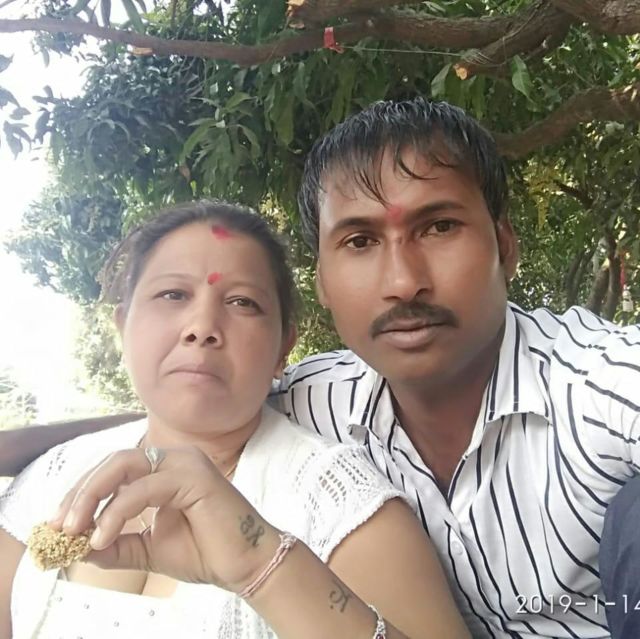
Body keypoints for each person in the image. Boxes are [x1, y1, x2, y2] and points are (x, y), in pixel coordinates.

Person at [3, 98, 639, 638]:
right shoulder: (316, 396)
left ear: (504, 247)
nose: (403, 282)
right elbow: (192, 404)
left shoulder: (600, 387)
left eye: (439, 226)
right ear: (325, 285)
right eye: (360, 241)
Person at [0, 201, 470, 639]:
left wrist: (263, 566)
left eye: (243, 302)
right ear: (123, 325)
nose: (202, 327)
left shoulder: (344, 510)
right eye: (172, 294)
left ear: (284, 346)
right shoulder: (49, 479)